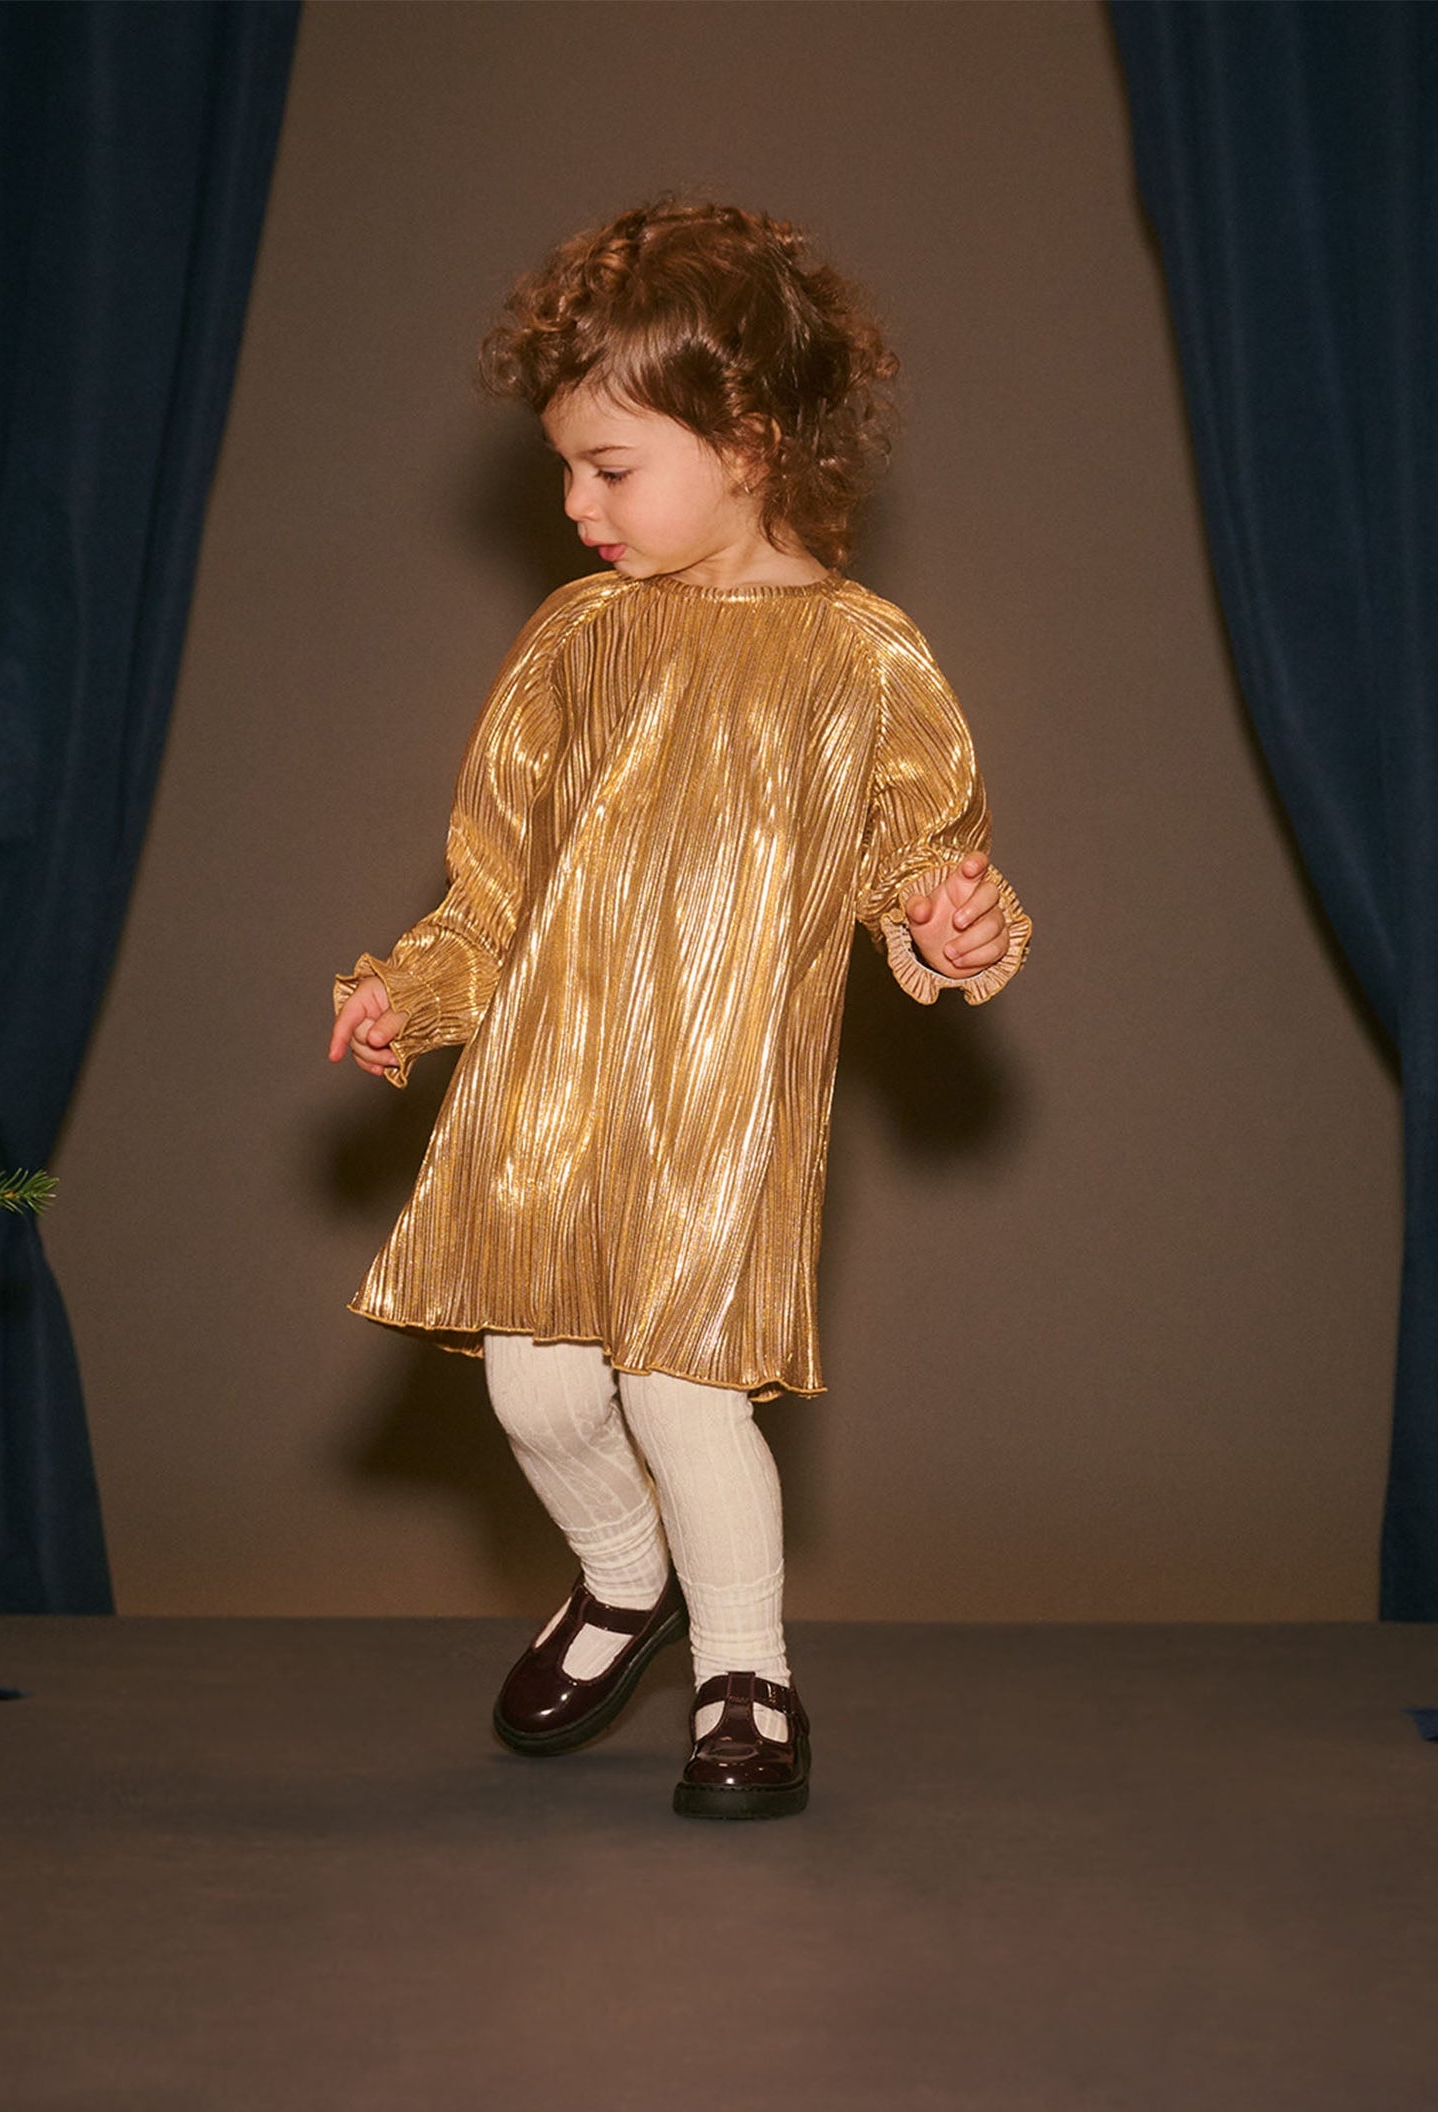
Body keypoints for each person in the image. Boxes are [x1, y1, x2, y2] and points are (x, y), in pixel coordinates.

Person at [327, 200, 1032, 1822]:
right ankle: (617, 1576)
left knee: (682, 1391)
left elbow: (924, 863)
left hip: (721, 1112)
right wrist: (409, 995)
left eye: (611, 466)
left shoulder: (861, 658)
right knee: (536, 1390)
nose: (576, 505)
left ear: (748, 440)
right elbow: (493, 883)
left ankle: (745, 1675)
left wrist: (948, 918)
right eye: (563, 468)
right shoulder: (573, 643)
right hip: (547, 1093)